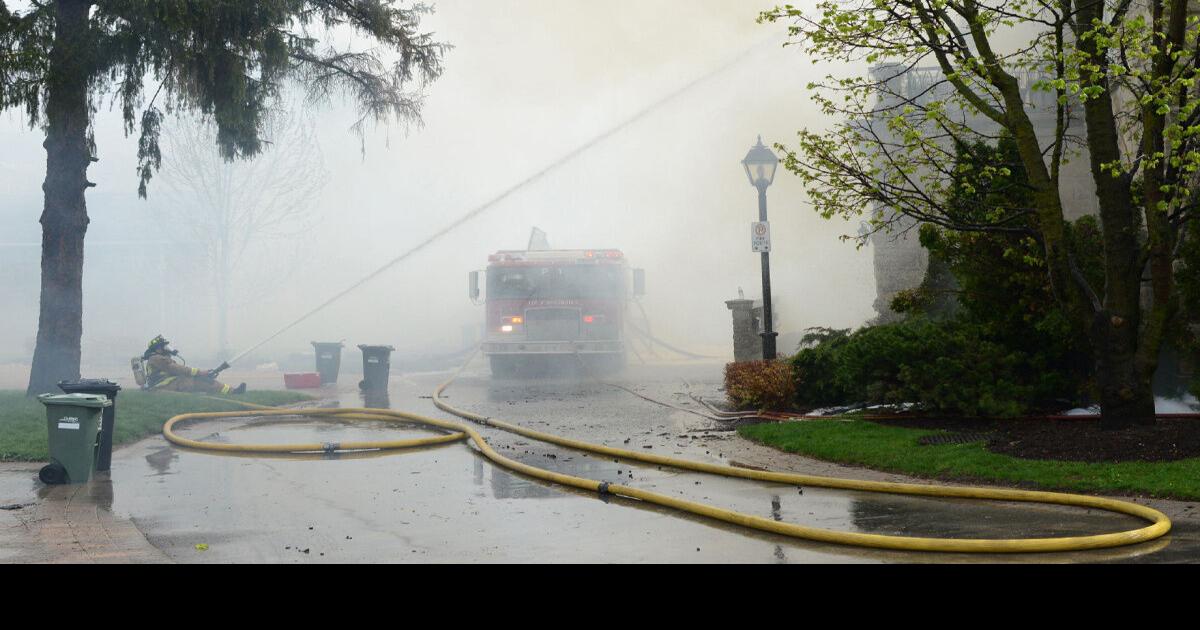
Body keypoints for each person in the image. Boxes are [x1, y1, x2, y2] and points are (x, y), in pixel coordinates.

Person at [143, 335, 245, 394]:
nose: (168, 348)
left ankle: (232, 391)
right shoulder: (156, 358)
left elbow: (176, 370)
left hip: (168, 384)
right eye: (165, 346)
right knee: (195, 381)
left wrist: (200, 374)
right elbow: (176, 369)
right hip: (162, 387)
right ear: (158, 348)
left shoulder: (159, 358)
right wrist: (200, 373)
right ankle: (232, 392)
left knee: (204, 380)